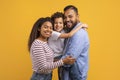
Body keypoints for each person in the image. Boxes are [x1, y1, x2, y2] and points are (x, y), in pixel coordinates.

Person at [48, 12, 88, 80]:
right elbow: (69, 34)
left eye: (60, 23)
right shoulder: (53, 33)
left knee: (68, 65)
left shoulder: (64, 30)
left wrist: (81, 27)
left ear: (63, 24)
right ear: (52, 24)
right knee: (71, 61)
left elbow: (72, 27)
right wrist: (80, 26)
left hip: (61, 55)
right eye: (55, 23)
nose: (58, 25)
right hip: (54, 57)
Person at [61, 5, 90, 80]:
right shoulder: (70, 31)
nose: (67, 19)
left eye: (70, 16)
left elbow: (70, 59)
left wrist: (52, 61)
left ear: (77, 16)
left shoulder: (79, 34)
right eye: (65, 17)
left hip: (75, 77)